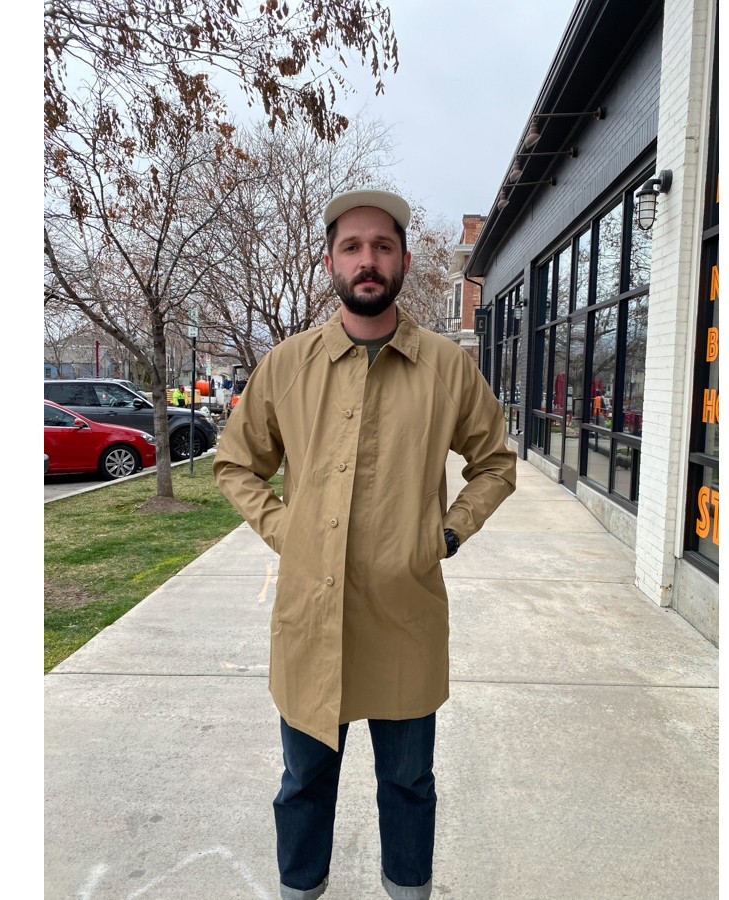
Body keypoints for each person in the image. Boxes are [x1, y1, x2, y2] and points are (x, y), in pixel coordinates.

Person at [213, 189, 517, 900]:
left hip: (404, 615)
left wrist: (447, 532)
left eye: (382, 246)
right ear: (330, 263)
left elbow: (496, 464)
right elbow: (236, 463)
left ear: (404, 261)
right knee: (303, 783)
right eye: (351, 247)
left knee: (409, 784)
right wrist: (287, 530)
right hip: (310, 618)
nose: (367, 260)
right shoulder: (287, 366)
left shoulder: (446, 367)